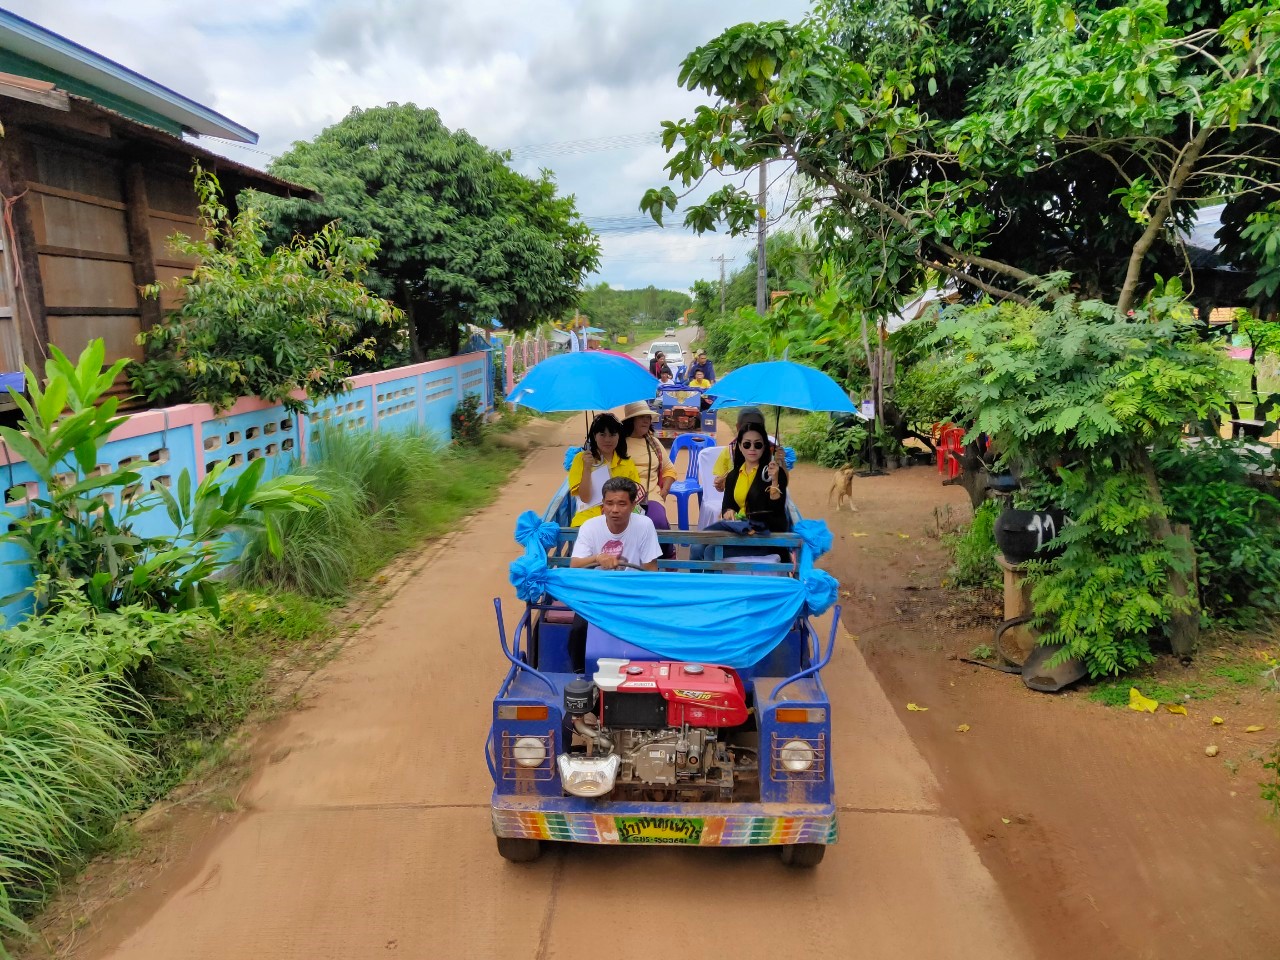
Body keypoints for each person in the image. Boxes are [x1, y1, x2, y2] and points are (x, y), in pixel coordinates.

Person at [568, 477, 659, 671]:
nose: (614, 510)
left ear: (633, 505)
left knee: (651, 628)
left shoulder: (645, 525)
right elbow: (574, 565)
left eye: (621, 504)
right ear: (603, 504)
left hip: (632, 594)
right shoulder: (590, 526)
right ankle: (579, 676)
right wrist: (597, 559)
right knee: (578, 630)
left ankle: (643, 674)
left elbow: (651, 570)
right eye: (609, 503)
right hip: (596, 594)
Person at [566, 413, 640, 526]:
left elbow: (634, 498)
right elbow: (585, 498)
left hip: (619, 519)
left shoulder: (627, 463)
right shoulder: (581, 459)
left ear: (619, 436)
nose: (607, 440)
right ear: (594, 437)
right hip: (588, 518)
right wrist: (587, 468)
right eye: (602, 434)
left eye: (612, 434)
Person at [620, 401, 677, 537]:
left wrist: (664, 491)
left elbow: (670, 470)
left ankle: (667, 554)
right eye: (641, 417)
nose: (646, 421)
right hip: (624, 496)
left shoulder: (653, 442)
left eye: (648, 417)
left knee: (658, 523)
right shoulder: (618, 443)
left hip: (651, 495)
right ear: (630, 420)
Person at [721, 422, 789, 532]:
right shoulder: (733, 476)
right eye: (747, 444)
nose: (752, 448)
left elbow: (777, 510)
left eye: (758, 445)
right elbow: (727, 505)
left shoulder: (774, 473)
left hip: (767, 536)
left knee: (708, 550)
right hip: (741, 531)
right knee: (698, 547)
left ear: (764, 447)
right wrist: (729, 512)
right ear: (739, 446)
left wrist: (775, 480)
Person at [712, 407, 769, 492]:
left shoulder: (770, 452)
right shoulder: (729, 452)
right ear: (738, 427)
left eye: (757, 427)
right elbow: (721, 486)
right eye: (747, 426)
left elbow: (780, 484)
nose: (752, 431)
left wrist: (781, 462)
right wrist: (719, 485)